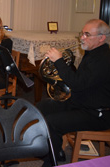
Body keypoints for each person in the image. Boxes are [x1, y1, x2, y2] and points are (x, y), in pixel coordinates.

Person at [37, 19, 110, 166]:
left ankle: (51, 161)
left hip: (97, 113)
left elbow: (77, 83)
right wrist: (61, 64)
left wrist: (59, 61)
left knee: (52, 123)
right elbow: (80, 79)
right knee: (41, 107)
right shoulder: (92, 52)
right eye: (82, 34)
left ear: (101, 38)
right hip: (81, 102)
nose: (82, 38)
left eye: (87, 34)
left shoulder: (103, 59)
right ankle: (56, 151)